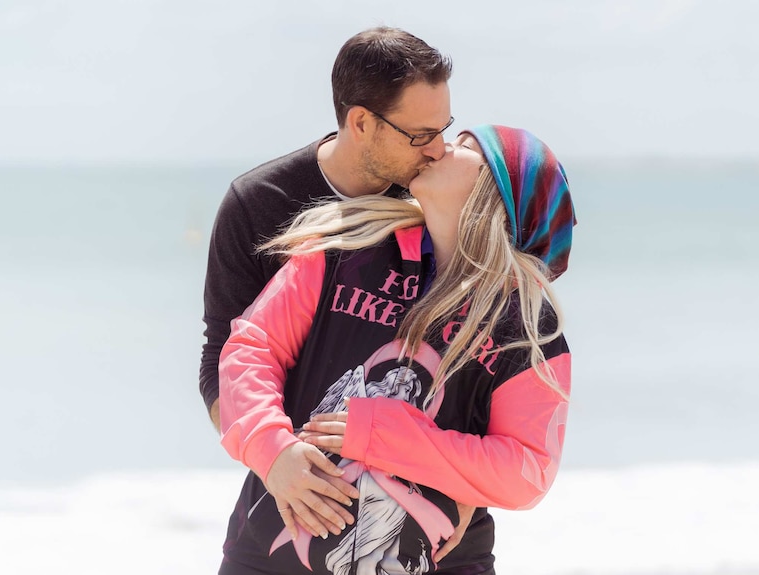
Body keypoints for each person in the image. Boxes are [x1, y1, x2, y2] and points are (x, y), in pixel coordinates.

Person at [218, 125, 576, 574]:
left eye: (466, 147)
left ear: (497, 192)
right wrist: (272, 451)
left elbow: (527, 471)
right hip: (268, 558)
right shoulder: (345, 252)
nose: (442, 146)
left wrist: (385, 436)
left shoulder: (526, 328)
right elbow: (250, 351)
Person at [199, 26, 455, 538]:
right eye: (421, 134)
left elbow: (482, 365)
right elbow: (219, 364)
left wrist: (465, 495)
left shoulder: (444, 196)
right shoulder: (259, 203)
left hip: (428, 516)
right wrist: (276, 463)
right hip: (299, 504)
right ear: (361, 122)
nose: (438, 150)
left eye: (444, 128)